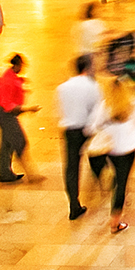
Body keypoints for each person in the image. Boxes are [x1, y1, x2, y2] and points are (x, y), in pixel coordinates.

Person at [86, 76, 135, 235]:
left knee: (118, 175)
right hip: (129, 149)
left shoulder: (105, 105)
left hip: (111, 149)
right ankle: (115, 222)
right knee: (122, 181)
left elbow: (92, 127)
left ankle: (106, 179)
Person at [56, 55, 102, 222]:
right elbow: (98, 109)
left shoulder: (62, 88)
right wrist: (93, 127)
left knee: (72, 168)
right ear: (87, 68)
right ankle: (100, 180)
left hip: (69, 130)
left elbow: (60, 110)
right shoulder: (93, 86)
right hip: (87, 129)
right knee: (99, 155)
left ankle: (73, 205)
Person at [0, 53, 43, 184]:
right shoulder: (8, 80)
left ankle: (5, 173)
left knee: (6, 144)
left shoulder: (8, 75)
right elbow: (9, 106)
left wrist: (21, 81)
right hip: (6, 116)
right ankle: (32, 175)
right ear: (17, 65)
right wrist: (29, 108)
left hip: (2, 114)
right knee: (20, 142)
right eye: (22, 65)